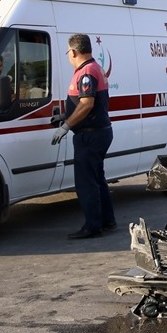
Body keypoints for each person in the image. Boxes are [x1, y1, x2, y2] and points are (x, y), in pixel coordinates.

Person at [53, 33, 116, 238]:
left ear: (73, 52)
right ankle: (107, 221)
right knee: (97, 179)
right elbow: (90, 104)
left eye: (68, 53)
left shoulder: (86, 72)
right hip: (99, 132)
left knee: (86, 183)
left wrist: (66, 125)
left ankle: (92, 226)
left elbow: (87, 104)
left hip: (90, 135)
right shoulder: (95, 67)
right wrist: (65, 115)